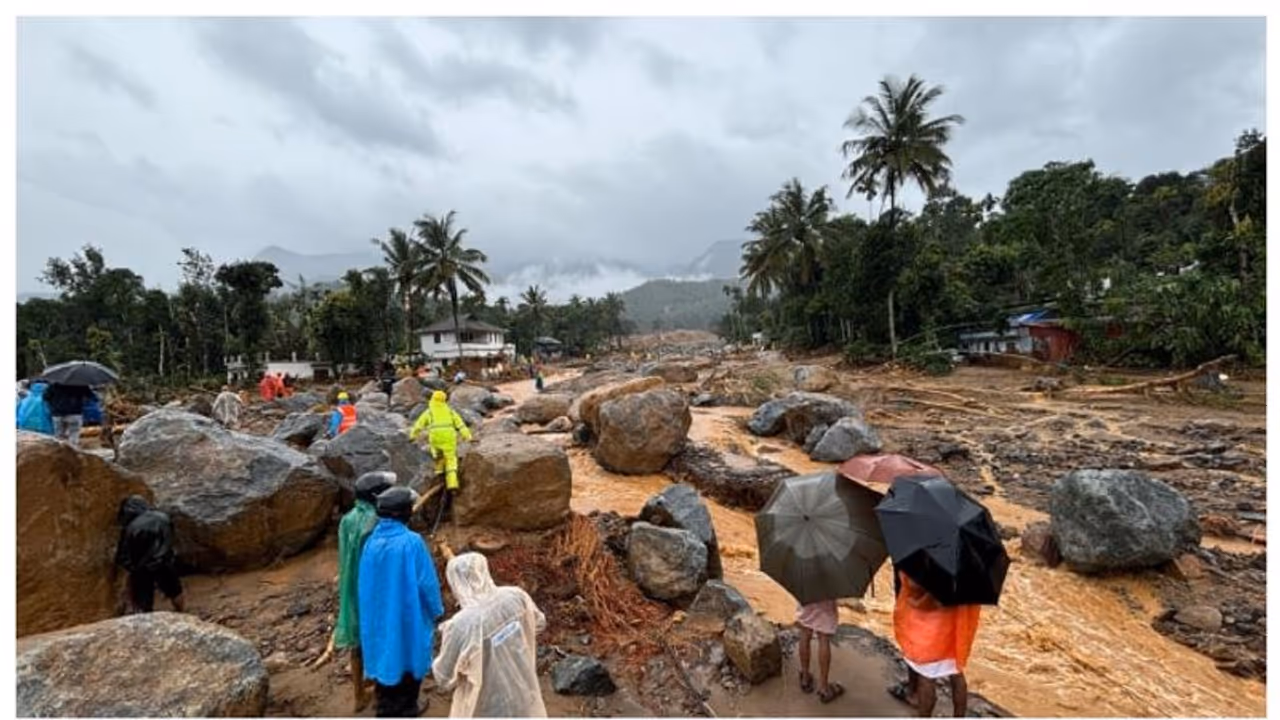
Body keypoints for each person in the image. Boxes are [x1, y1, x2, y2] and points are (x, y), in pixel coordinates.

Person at [358, 486, 445, 717]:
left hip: (377, 618)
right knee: (408, 657)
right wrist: (437, 610)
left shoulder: (371, 542)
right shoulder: (412, 542)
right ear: (404, 513)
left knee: (384, 659)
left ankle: (385, 707)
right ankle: (407, 709)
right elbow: (427, 582)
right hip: (407, 615)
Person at [433, 552, 548, 718]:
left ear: (455, 583)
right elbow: (538, 623)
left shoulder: (461, 625)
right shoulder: (515, 596)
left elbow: (444, 678)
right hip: (522, 689)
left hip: (484, 706)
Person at [336, 471, 395, 712]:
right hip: (374, 589)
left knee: (357, 641)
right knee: (379, 637)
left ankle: (359, 694)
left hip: (351, 586)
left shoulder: (348, 519)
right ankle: (380, 693)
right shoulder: (377, 523)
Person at [889, 569, 981, 717]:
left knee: (926, 676)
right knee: (956, 674)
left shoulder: (929, 561)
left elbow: (913, 588)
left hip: (931, 632)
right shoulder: (970, 565)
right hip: (956, 632)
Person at [114, 495, 185, 614]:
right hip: (163, 561)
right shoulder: (163, 517)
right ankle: (181, 610)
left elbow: (123, 554)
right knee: (174, 588)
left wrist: (130, 567)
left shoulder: (131, 526)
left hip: (141, 567)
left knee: (143, 596)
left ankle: (145, 616)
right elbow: (170, 539)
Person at [409, 391, 472, 495]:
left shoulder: (429, 412)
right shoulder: (450, 411)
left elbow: (419, 425)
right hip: (448, 437)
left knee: (438, 456)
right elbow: (460, 425)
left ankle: (439, 473)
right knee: (451, 459)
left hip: (435, 438)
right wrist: (468, 437)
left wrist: (412, 436)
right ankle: (452, 484)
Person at [796, 599, 844, 703]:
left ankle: (805, 678)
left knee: (805, 632)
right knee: (823, 638)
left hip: (807, 597)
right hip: (826, 600)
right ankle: (824, 688)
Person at [43, 382, 94, 448]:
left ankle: (59, 451)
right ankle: (73, 450)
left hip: (57, 413)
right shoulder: (81, 384)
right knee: (74, 434)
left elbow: (45, 397)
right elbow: (90, 396)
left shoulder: (54, 384)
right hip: (75, 413)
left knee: (59, 437)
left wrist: (53, 404)